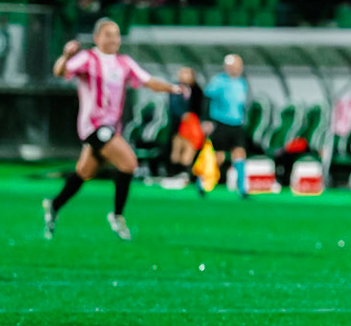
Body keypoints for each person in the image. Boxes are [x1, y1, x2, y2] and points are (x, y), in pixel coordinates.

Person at [43, 19, 183, 241]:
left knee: (85, 172)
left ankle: (54, 205)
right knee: (129, 162)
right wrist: (66, 56)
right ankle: (117, 216)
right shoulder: (87, 58)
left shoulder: (124, 62)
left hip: (111, 127)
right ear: (97, 37)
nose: (113, 39)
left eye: (117, 35)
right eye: (108, 34)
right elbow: (60, 71)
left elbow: (148, 81)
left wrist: (172, 87)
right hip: (94, 125)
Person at [204, 54, 253, 197]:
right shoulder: (218, 81)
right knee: (218, 156)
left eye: (239, 66)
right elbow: (207, 100)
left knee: (240, 153)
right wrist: (206, 120)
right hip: (220, 123)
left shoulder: (242, 83)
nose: (236, 69)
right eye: (233, 66)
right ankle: (204, 181)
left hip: (236, 124)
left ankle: (242, 188)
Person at [164, 65, 207, 190]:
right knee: (176, 150)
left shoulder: (197, 90)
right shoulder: (176, 89)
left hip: (192, 127)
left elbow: (201, 108)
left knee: (189, 150)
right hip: (178, 126)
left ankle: (185, 175)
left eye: (188, 73)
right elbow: (174, 106)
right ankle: (172, 174)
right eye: (183, 73)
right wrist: (183, 115)